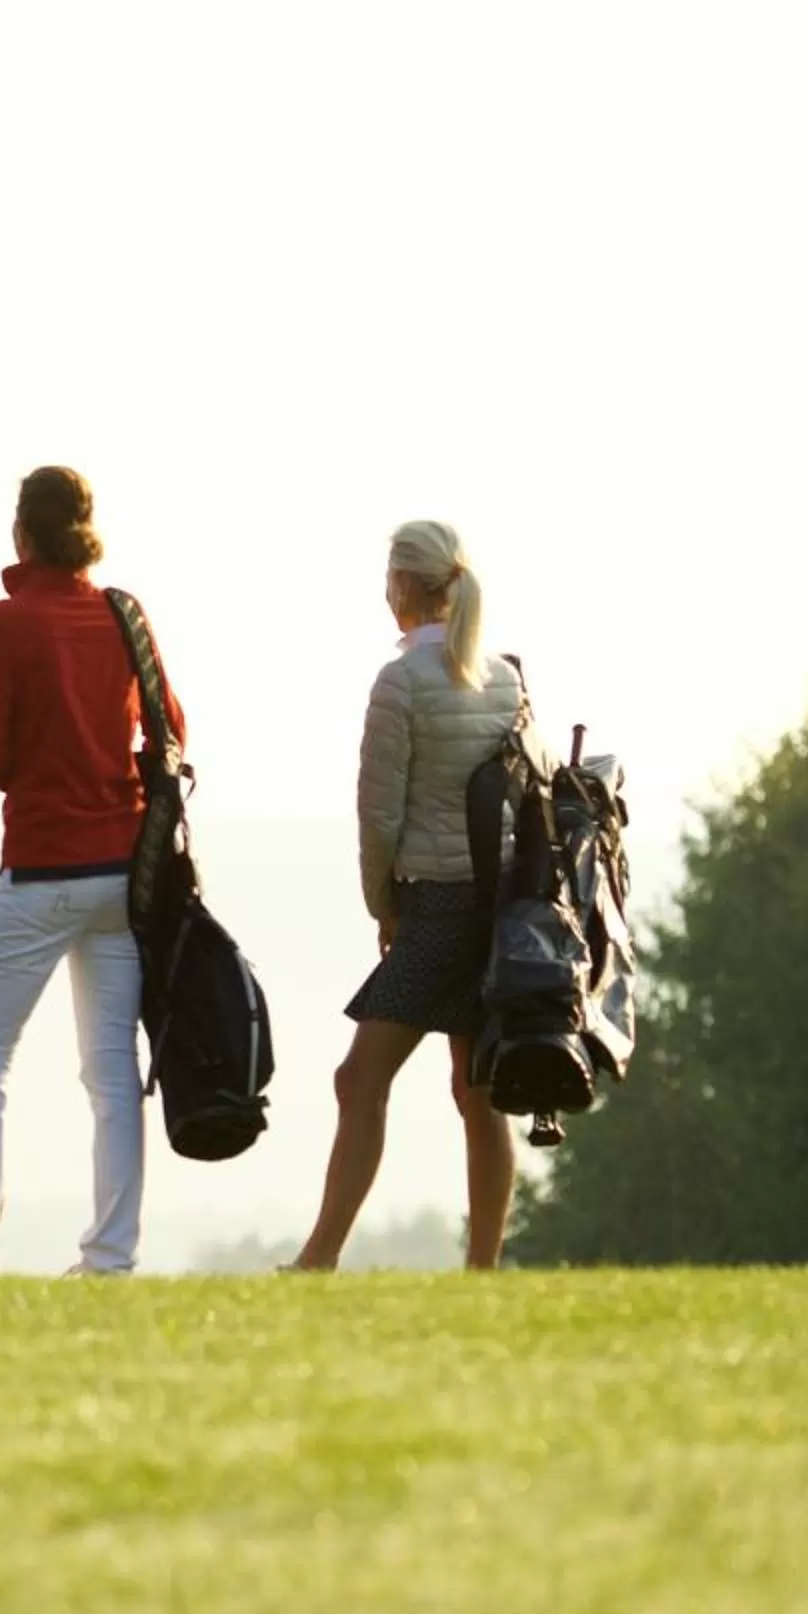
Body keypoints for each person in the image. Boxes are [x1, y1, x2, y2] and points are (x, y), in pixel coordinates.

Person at [0, 466, 182, 1277]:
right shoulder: (123, 614)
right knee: (111, 1072)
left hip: (41, 869)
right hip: (123, 873)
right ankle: (111, 1256)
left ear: (22, 534)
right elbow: (171, 725)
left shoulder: (5, 623)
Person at [288, 519, 536, 1273]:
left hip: (436, 907)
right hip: (494, 907)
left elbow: (378, 816)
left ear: (401, 586)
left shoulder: (398, 683)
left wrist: (382, 907)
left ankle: (320, 1258)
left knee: (359, 1081)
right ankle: (482, 1269)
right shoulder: (503, 676)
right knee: (477, 1093)